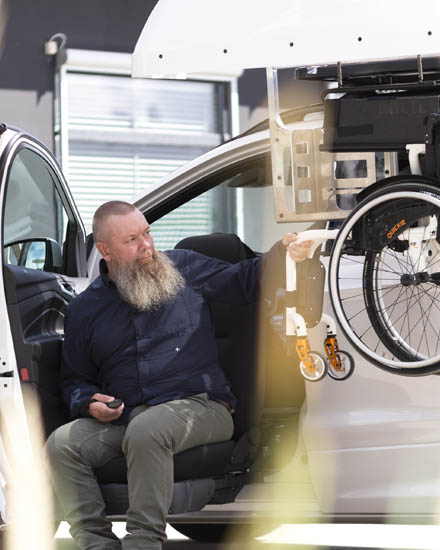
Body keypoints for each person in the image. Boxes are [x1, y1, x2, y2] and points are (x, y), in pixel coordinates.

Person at [45, 200, 312, 550]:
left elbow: (246, 278)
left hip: (203, 407)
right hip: (127, 416)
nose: (146, 246)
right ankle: (95, 542)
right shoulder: (85, 309)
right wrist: (88, 403)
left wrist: (286, 253)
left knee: (147, 429)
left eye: (147, 233)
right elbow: (74, 380)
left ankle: (143, 542)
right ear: (105, 250)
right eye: (132, 240)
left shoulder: (183, 268)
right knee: (62, 445)